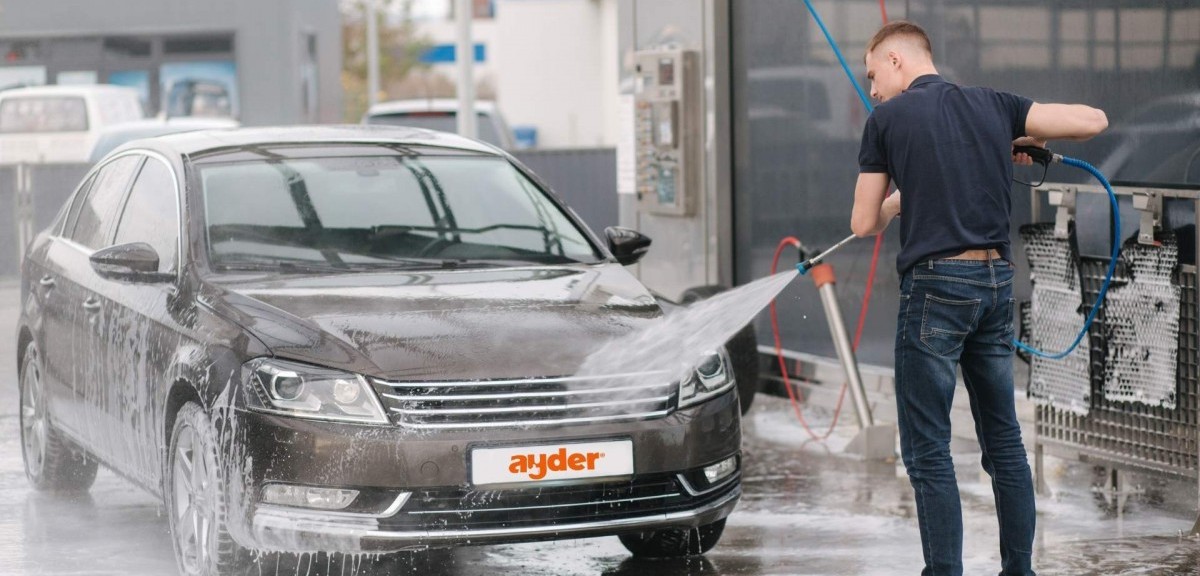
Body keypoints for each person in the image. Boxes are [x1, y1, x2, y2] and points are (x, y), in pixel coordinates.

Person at [849, 20, 1108, 576]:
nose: (871, 89)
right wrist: (1022, 137)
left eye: (873, 74)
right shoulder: (995, 104)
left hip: (935, 291)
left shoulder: (886, 121)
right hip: (993, 285)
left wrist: (897, 202)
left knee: (927, 451)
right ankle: (1019, 569)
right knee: (1005, 443)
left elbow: (863, 221)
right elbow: (1093, 121)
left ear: (897, 60)